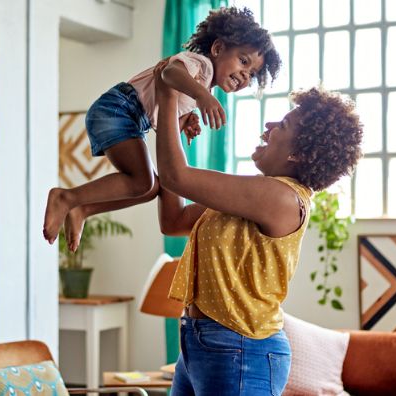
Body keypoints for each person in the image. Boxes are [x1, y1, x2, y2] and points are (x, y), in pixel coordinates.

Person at [153, 63, 364, 395]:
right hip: (199, 341)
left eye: (283, 124)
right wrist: (173, 130)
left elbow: (175, 176)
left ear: (298, 153)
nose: (269, 125)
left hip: (239, 349)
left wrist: (167, 95)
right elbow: (174, 221)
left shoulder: (281, 197)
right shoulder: (253, 195)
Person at [43, 7, 281, 251]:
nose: (244, 75)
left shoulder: (203, 84)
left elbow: (166, 113)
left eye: (252, 74)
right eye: (243, 61)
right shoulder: (201, 65)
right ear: (218, 48)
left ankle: (84, 208)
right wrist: (200, 97)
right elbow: (169, 73)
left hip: (129, 118)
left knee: (148, 189)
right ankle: (67, 197)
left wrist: (186, 119)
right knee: (142, 181)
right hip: (119, 109)